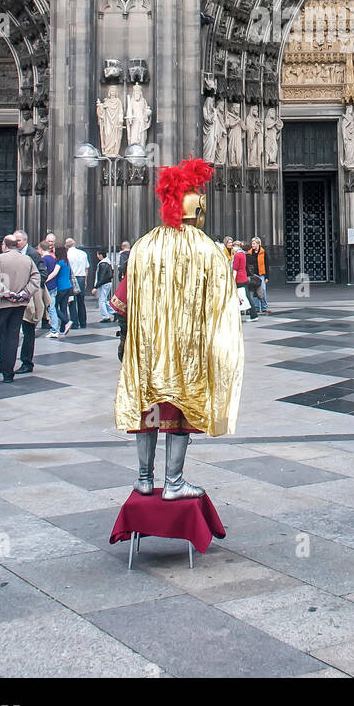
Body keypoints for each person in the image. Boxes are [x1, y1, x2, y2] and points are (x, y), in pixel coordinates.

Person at [113, 156, 244, 498]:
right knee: (181, 411)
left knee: (149, 410)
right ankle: (173, 483)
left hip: (146, 348)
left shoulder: (143, 246)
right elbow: (222, 305)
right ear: (198, 209)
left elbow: (120, 302)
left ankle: (143, 479)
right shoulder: (207, 249)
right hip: (186, 350)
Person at [0, 236, 40, 384]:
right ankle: (8, 374)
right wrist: (24, 293)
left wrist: (7, 293)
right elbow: (36, 279)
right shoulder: (27, 260)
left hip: (0, 303)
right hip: (19, 304)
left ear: (4, 245)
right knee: (12, 337)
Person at [13, 229, 47, 374]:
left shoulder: (32, 254)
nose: (16, 243)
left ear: (25, 241)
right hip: (14, 298)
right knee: (11, 331)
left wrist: (29, 290)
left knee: (28, 331)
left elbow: (42, 274)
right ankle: (5, 362)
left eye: (18, 240)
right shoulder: (13, 253)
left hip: (28, 299)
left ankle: (27, 362)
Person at [66, 237, 90, 329]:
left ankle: (74, 323)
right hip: (81, 277)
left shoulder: (67, 254)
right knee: (81, 301)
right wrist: (85, 280)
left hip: (72, 278)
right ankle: (83, 322)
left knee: (72, 301)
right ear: (74, 244)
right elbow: (86, 268)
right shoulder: (83, 253)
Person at [231, 241, 256, 319]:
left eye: (234, 246)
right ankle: (253, 314)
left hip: (239, 278)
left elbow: (235, 269)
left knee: (240, 297)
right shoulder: (242, 254)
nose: (233, 248)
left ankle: (252, 314)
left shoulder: (237, 255)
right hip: (243, 276)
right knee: (246, 296)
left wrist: (232, 279)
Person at [247, 237, 270, 315]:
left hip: (261, 274)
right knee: (254, 290)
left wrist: (267, 277)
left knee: (262, 290)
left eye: (254, 243)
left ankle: (264, 307)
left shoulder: (263, 252)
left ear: (258, 244)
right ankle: (256, 307)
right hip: (253, 274)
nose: (252, 245)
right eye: (252, 243)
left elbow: (267, 265)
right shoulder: (250, 252)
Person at [95, 250, 115, 321]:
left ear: (100, 255)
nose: (97, 256)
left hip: (104, 284)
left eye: (97, 254)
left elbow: (102, 276)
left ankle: (105, 316)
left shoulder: (102, 264)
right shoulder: (108, 262)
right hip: (107, 283)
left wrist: (96, 286)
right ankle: (114, 313)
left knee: (101, 301)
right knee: (104, 300)